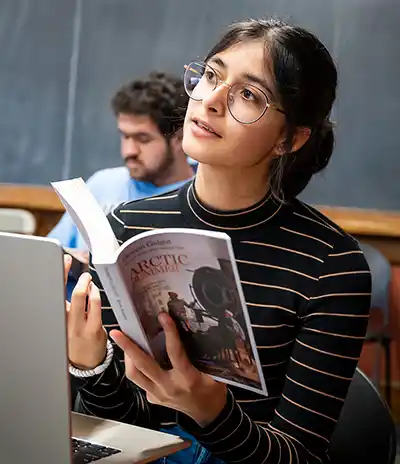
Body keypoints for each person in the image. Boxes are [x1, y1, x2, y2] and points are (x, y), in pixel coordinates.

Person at [65, 18, 371, 464]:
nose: (210, 101)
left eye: (249, 95)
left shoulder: (331, 265)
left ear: (291, 138)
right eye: (211, 75)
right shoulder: (126, 226)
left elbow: (299, 457)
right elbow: (124, 426)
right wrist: (91, 367)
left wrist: (213, 413)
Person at [49, 72, 195, 297]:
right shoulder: (102, 183)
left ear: (179, 138)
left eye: (142, 139)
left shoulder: (196, 197)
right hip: (70, 316)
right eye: (125, 137)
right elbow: (49, 251)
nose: (129, 151)